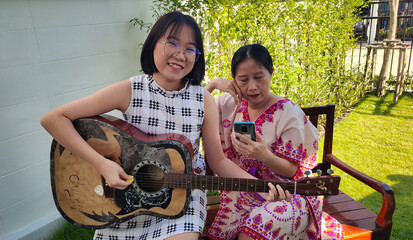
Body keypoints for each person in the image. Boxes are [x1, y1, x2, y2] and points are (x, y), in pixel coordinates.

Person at [41, 12, 287, 240]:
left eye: (191, 48)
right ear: (153, 44)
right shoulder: (130, 90)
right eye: (172, 43)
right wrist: (102, 164)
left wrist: (261, 188)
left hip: (183, 198)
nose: (181, 54)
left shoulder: (203, 99)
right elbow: (54, 119)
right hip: (124, 199)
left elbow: (219, 162)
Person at [204, 44, 343, 240]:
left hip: (286, 193)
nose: (252, 86)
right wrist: (213, 84)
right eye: (243, 80)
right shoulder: (229, 104)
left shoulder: (288, 113)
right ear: (233, 80)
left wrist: (263, 155)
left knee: (249, 235)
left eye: (259, 77)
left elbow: (291, 171)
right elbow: (195, 112)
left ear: (271, 73)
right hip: (243, 192)